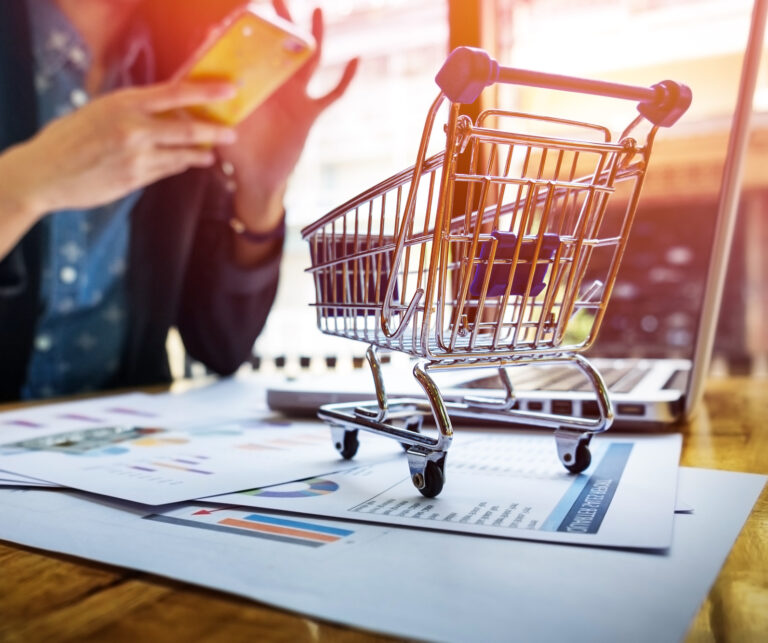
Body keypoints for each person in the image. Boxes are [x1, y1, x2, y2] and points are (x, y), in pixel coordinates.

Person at [0, 0, 357, 401]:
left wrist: (260, 192)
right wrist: (22, 184)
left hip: (121, 441)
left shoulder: (187, 63)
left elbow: (222, 347)